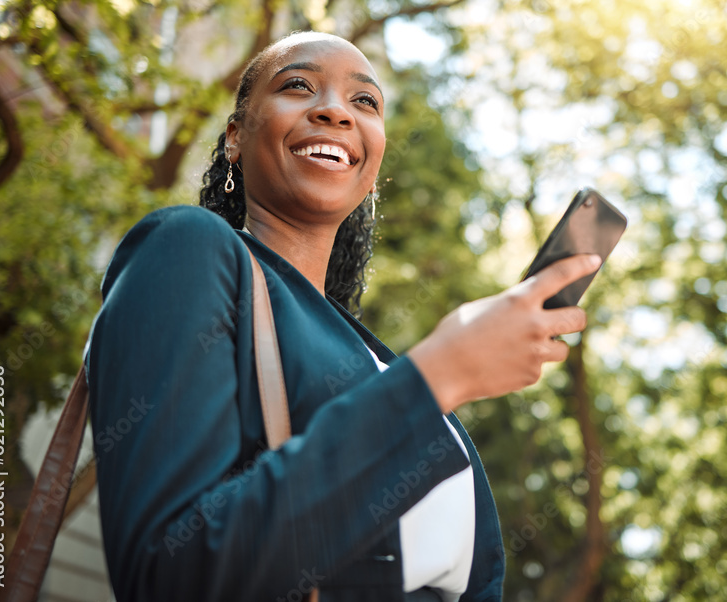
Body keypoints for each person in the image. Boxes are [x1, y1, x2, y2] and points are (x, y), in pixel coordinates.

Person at [85, 31, 598, 601]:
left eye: (365, 102)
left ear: (374, 164)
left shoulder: (377, 359)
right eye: (298, 86)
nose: (334, 110)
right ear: (235, 137)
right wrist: (439, 377)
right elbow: (169, 576)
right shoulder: (185, 249)